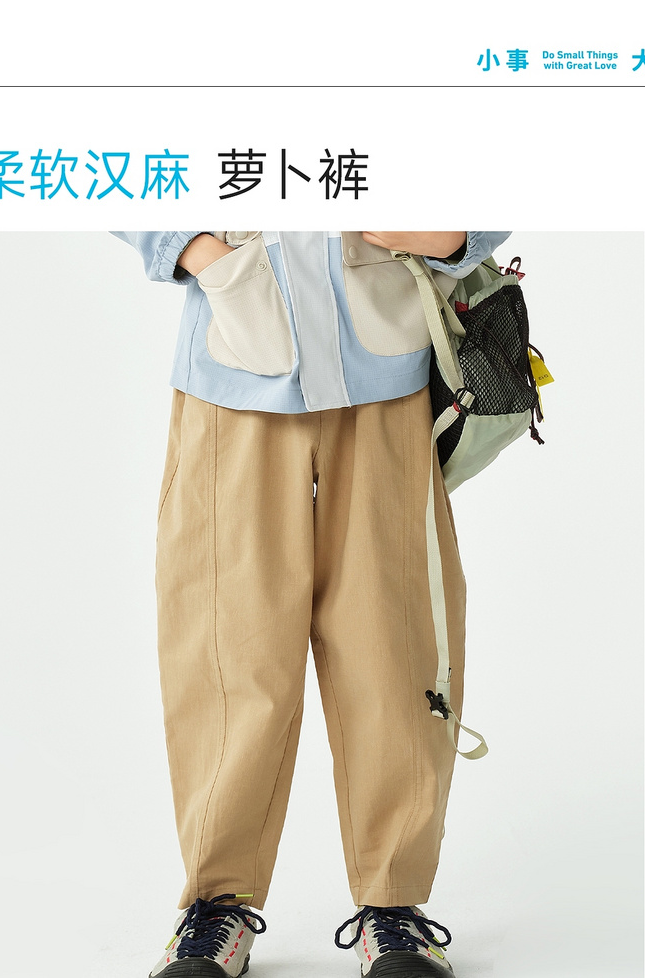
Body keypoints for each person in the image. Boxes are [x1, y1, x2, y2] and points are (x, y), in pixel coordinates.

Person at [112, 230, 511, 978]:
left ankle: (393, 906)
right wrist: (198, 251)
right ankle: (217, 904)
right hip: (233, 372)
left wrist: (453, 232)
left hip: (388, 374)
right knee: (227, 647)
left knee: (395, 646)